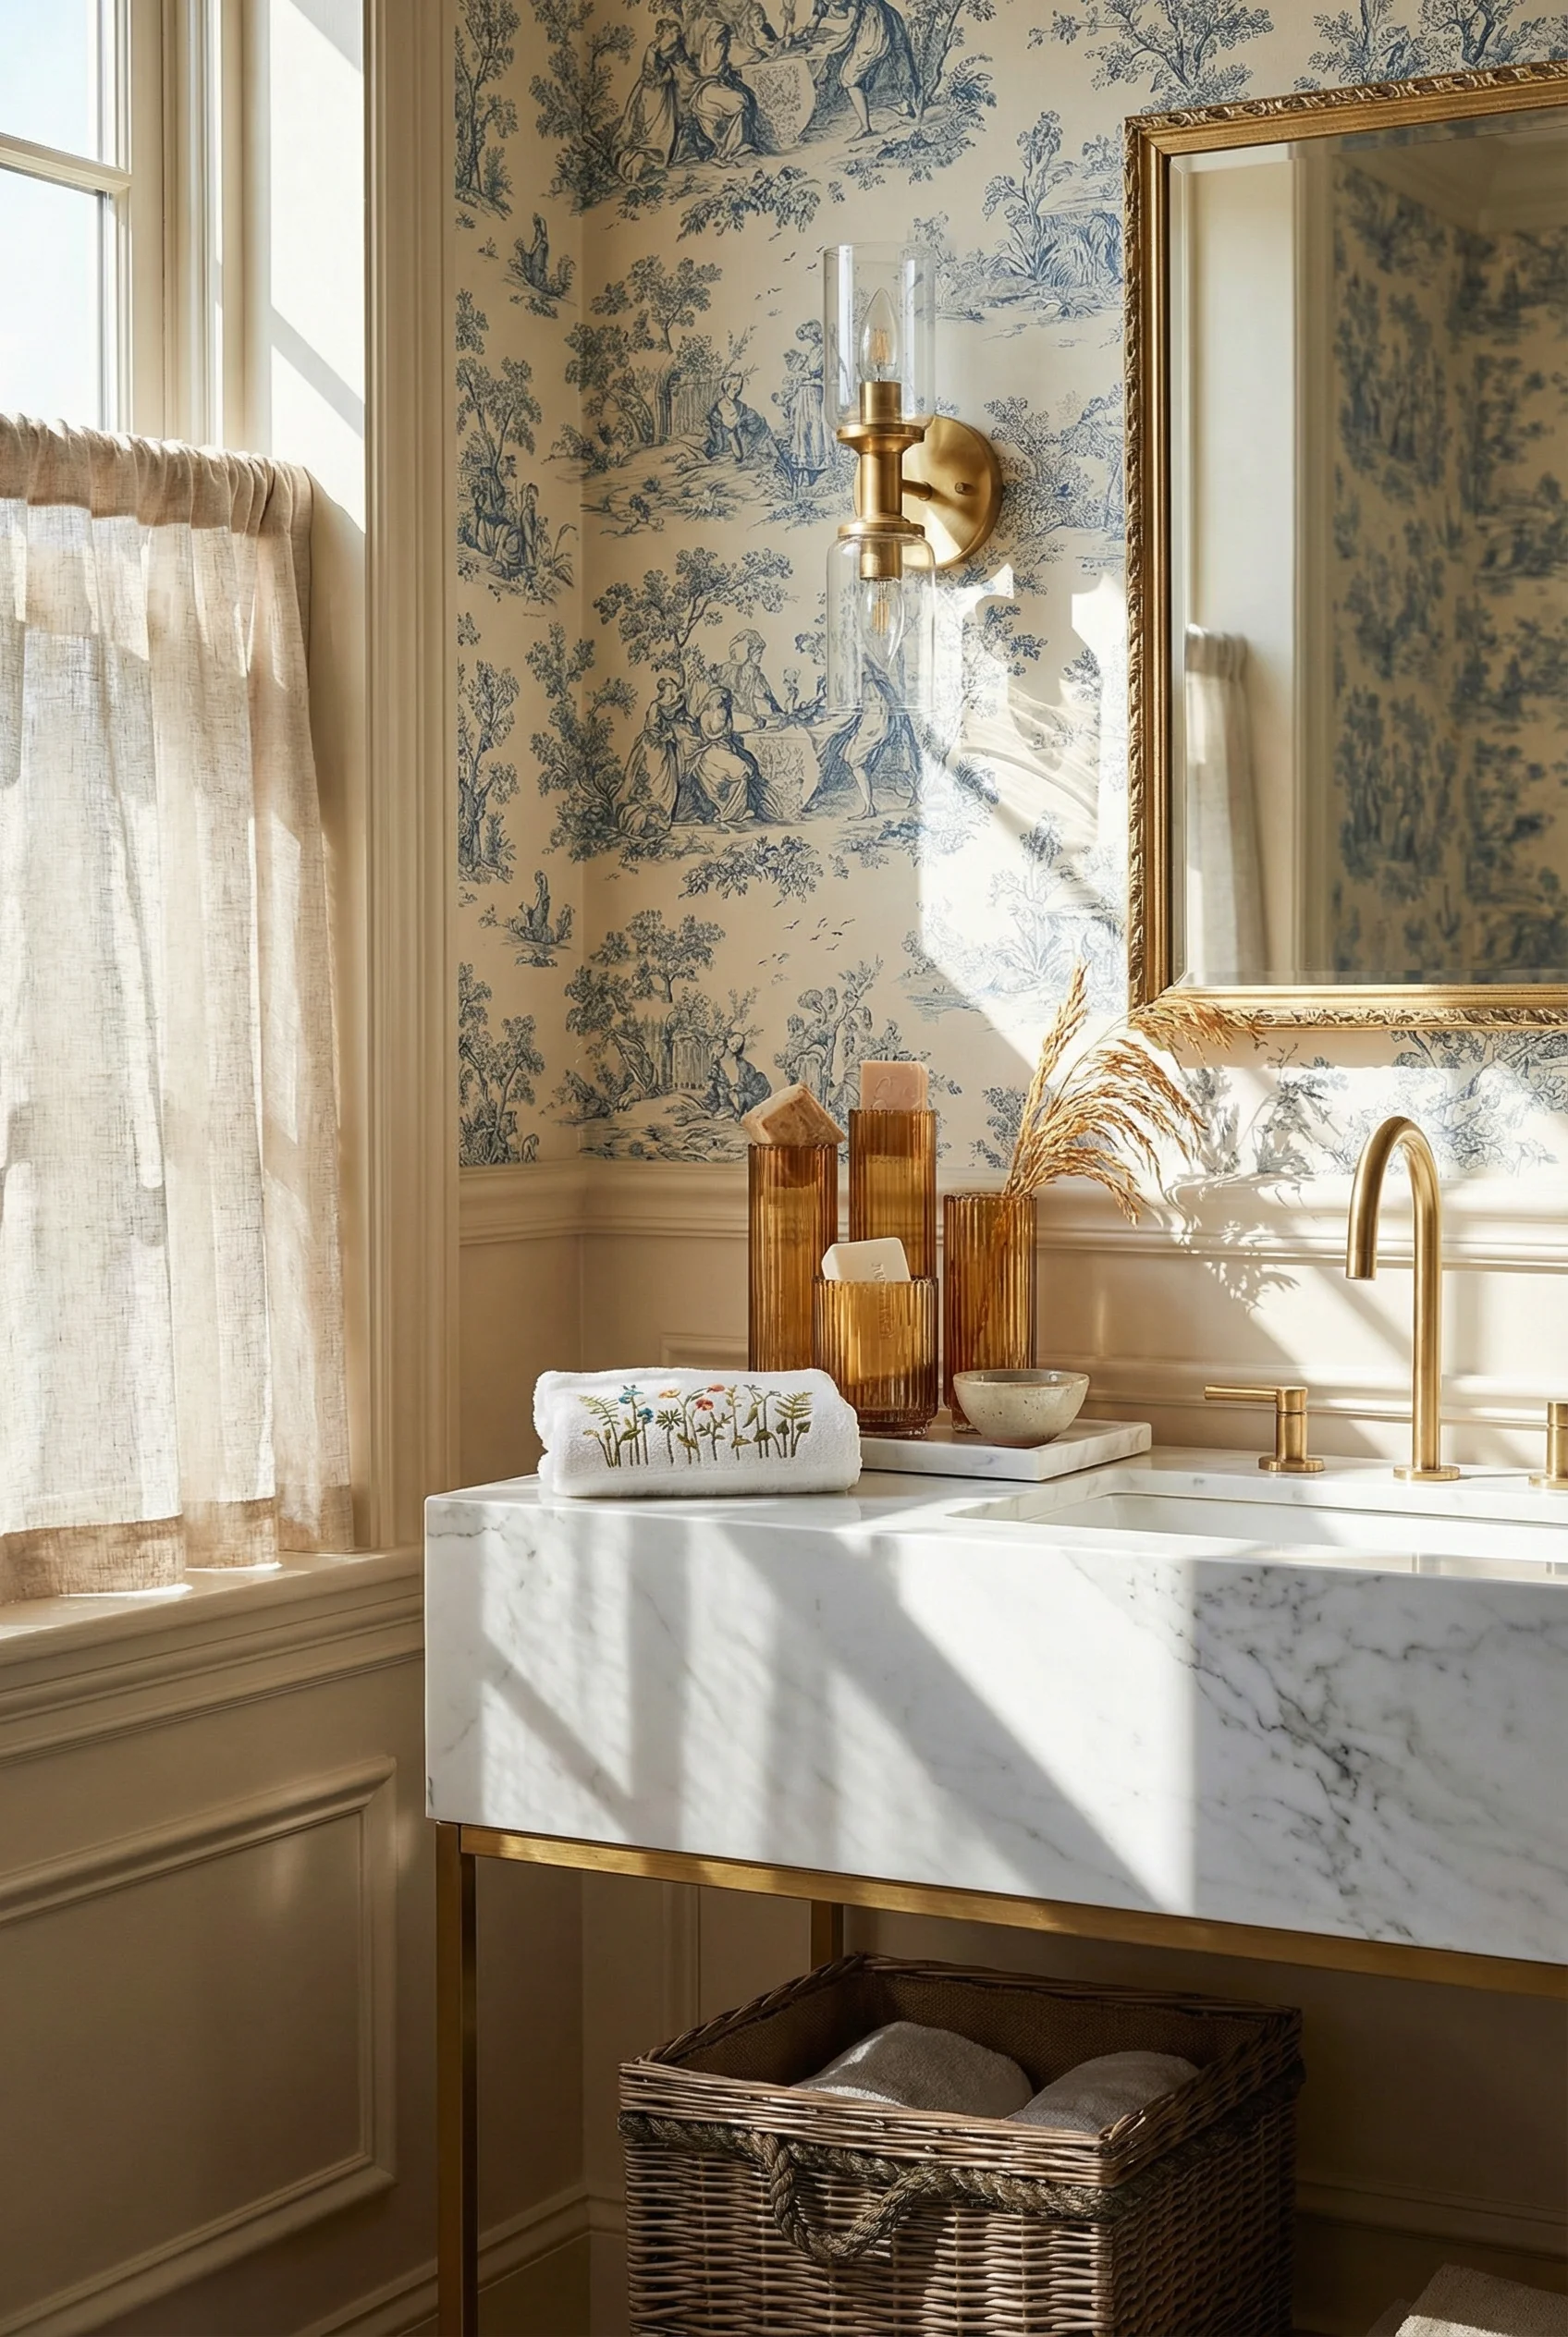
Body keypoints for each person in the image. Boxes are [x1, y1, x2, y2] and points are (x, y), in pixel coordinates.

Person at [815, 0, 917, 137]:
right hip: (882, 18)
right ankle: (907, 103)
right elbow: (817, 14)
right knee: (897, 59)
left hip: (874, 22)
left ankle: (865, 127)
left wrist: (831, 44)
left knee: (848, 77)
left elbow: (849, 19)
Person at [618, 667, 693, 838]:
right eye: (670, 685)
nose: (673, 688)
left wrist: (674, 732)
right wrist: (664, 735)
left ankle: (660, 818)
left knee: (668, 786)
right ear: (665, 687)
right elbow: (651, 728)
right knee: (653, 781)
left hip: (668, 749)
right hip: (653, 748)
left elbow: (686, 723)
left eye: (673, 684)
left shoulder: (679, 704)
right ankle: (647, 817)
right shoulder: (656, 706)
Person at [616, 18, 692, 182]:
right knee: (654, 128)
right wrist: (668, 75)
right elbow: (650, 77)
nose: (678, 34)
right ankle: (645, 158)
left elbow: (685, 65)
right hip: (652, 94)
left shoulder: (676, 48)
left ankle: (654, 157)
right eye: (675, 31)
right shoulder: (653, 49)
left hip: (665, 93)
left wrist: (676, 73)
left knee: (665, 128)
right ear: (668, 31)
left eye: (678, 32)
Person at [682, 689, 762, 826]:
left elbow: (733, 727)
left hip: (722, 749)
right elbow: (708, 735)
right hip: (709, 753)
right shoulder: (706, 714)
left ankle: (734, 812)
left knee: (744, 771)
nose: (724, 703)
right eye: (722, 701)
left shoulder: (726, 713)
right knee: (742, 769)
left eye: (726, 701)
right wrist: (721, 737)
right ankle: (729, 813)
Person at [688, 26, 760, 162]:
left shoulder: (718, 53)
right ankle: (732, 149)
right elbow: (739, 100)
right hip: (710, 92)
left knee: (744, 99)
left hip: (712, 88)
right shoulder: (715, 51)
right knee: (741, 102)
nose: (726, 45)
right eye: (723, 40)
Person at [704, 369, 778, 467]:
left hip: (743, 435)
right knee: (739, 452)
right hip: (730, 439)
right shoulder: (718, 409)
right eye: (734, 389)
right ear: (726, 388)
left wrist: (751, 419)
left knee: (762, 429)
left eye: (739, 389)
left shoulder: (740, 405)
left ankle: (775, 454)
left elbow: (748, 417)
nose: (737, 392)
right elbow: (722, 429)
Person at [719, 630, 785, 728]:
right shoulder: (729, 669)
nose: (761, 656)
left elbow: (766, 694)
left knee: (774, 719)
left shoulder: (755, 672)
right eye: (758, 653)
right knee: (752, 723)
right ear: (749, 652)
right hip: (733, 712)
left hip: (749, 712)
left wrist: (777, 710)